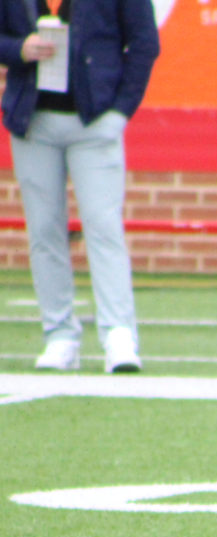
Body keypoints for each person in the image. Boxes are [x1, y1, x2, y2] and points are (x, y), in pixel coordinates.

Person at [0, 0, 159, 372]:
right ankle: (59, 335)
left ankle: (119, 334)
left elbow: (144, 43)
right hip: (32, 121)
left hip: (95, 121)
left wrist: (120, 111)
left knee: (103, 227)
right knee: (44, 230)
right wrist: (18, 50)